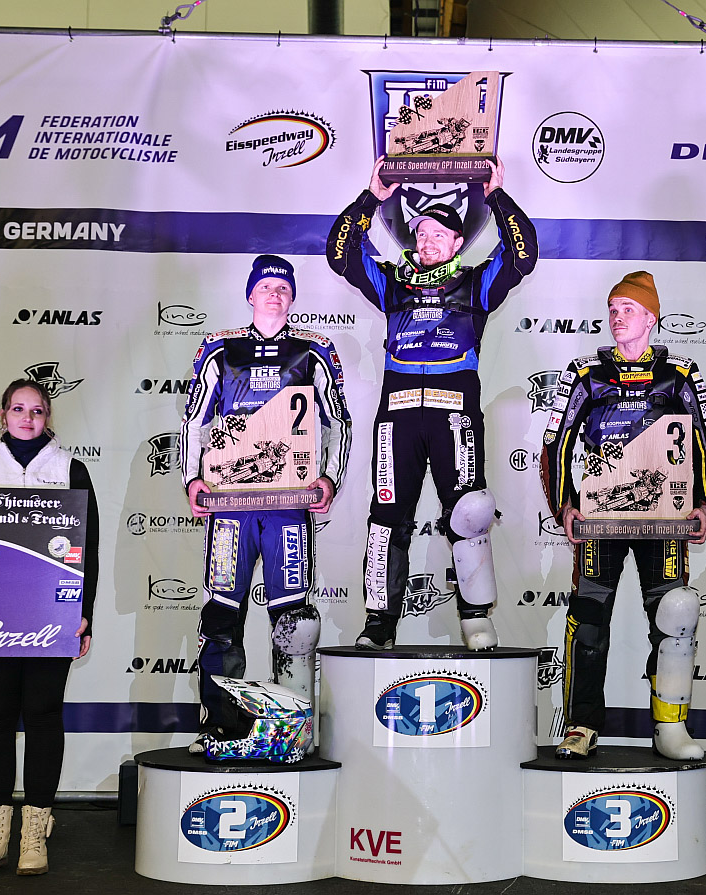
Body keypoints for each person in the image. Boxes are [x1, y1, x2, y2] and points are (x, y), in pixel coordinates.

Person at [326, 156, 537, 650]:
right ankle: (379, 625)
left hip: (454, 415)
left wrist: (497, 196)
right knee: (386, 520)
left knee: (469, 513)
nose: (427, 241)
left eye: (438, 234)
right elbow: (341, 255)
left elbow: (523, 255)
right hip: (397, 418)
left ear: (458, 242)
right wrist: (371, 199)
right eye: (421, 234)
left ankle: (475, 618)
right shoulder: (392, 283)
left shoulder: (477, 282)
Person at [539, 272, 706, 761]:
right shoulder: (586, 373)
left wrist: (705, 504)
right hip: (601, 519)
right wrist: (566, 505)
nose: (617, 317)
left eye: (628, 309)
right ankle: (581, 725)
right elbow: (555, 444)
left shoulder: (679, 374)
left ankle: (670, 726)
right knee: (588, 619)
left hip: (663, 522)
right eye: (612, 309)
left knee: (673, 618)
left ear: (651, 318)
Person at [181, 254, 350, 752]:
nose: (274, 294)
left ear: (292, 297)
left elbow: (337, 422)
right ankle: (221, 727)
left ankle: (291, 731)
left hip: (286, 505)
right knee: (221, 614)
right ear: (250, 294)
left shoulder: (314, 349)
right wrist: (193, 478)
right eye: (266, 286)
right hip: (231, 504)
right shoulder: (219, 347)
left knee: (293, 619)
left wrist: (330, 477)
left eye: (283, 287)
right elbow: (195, 419)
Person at [0, 379, 99, 876]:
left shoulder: (71, 470)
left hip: (50, 618)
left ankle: (35, 833)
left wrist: (84, 614)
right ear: (3, 414)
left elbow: (88, 548)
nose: (27, 418)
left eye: (36, 410)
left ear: (47, 416)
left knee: (43, 716)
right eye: (18, 409)